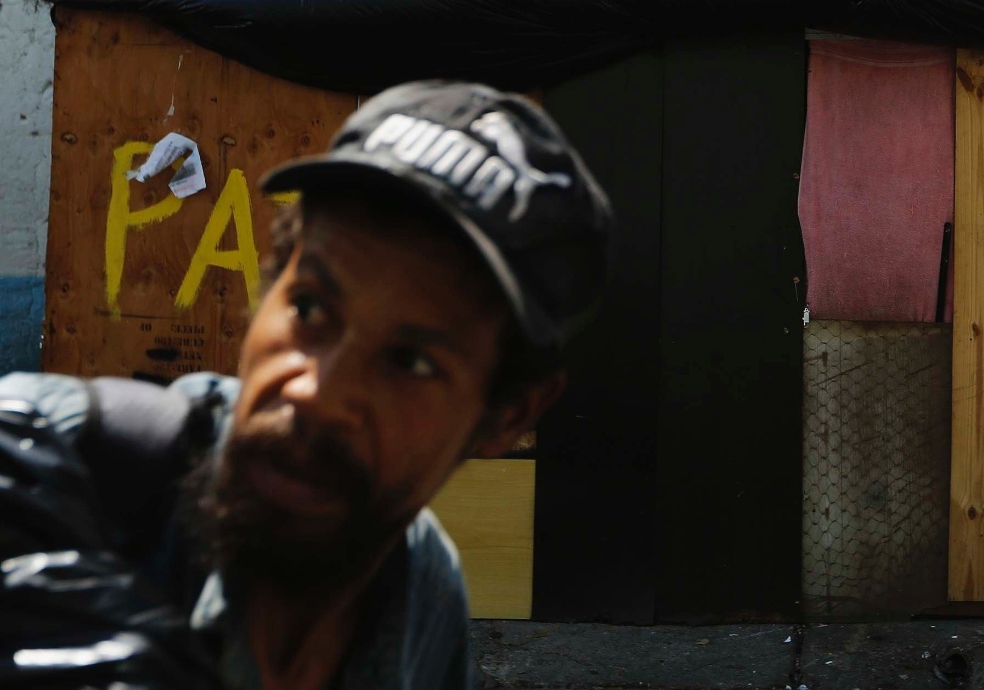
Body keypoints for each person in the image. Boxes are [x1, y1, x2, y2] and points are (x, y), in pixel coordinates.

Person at [0, 82, 613, 690]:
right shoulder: (56, 466)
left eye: (411, 362)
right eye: (311, 309)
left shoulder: (420, 601)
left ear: (507, 415)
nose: (316, 394)